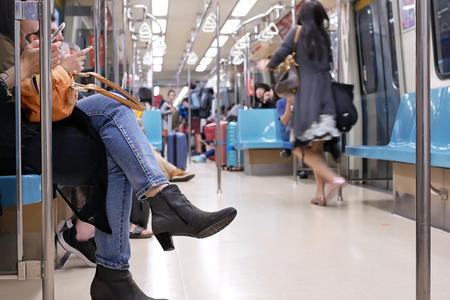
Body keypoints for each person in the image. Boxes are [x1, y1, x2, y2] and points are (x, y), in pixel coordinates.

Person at [0, 4, 237, 299]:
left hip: (36, 125)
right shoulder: (7, 46)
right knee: (114, 139)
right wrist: (33, 68)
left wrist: (49, 65)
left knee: (115, 112)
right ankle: (126, 258)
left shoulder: (18, 43)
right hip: (15, 139)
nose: (35, 9)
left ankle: (157, 212)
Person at [266, 0, 344, 206]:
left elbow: (279, 55)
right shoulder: (323, 36)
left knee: (297, 146)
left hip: (308, 97)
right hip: (327, 96)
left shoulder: (297, 32)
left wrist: (268, 65)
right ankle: (320, 194)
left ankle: (333, 178)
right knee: (317, 149)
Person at [182, 82, 202, 154]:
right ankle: (197, 149)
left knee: (197, 133)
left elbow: (197, 106)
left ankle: (199, 150)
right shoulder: (195, 93)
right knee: (196, 133)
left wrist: (188, 105)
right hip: (195, 117)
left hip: (195, 117)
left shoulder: (193, 94)